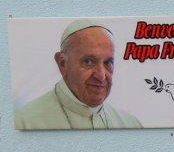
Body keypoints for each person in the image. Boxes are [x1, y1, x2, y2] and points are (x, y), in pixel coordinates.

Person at [13, 19, 142, 130]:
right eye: (89, 61)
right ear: (62, 63)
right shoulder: (24, 122)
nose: (101, 76)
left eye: (108, 62)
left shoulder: (130, 123)